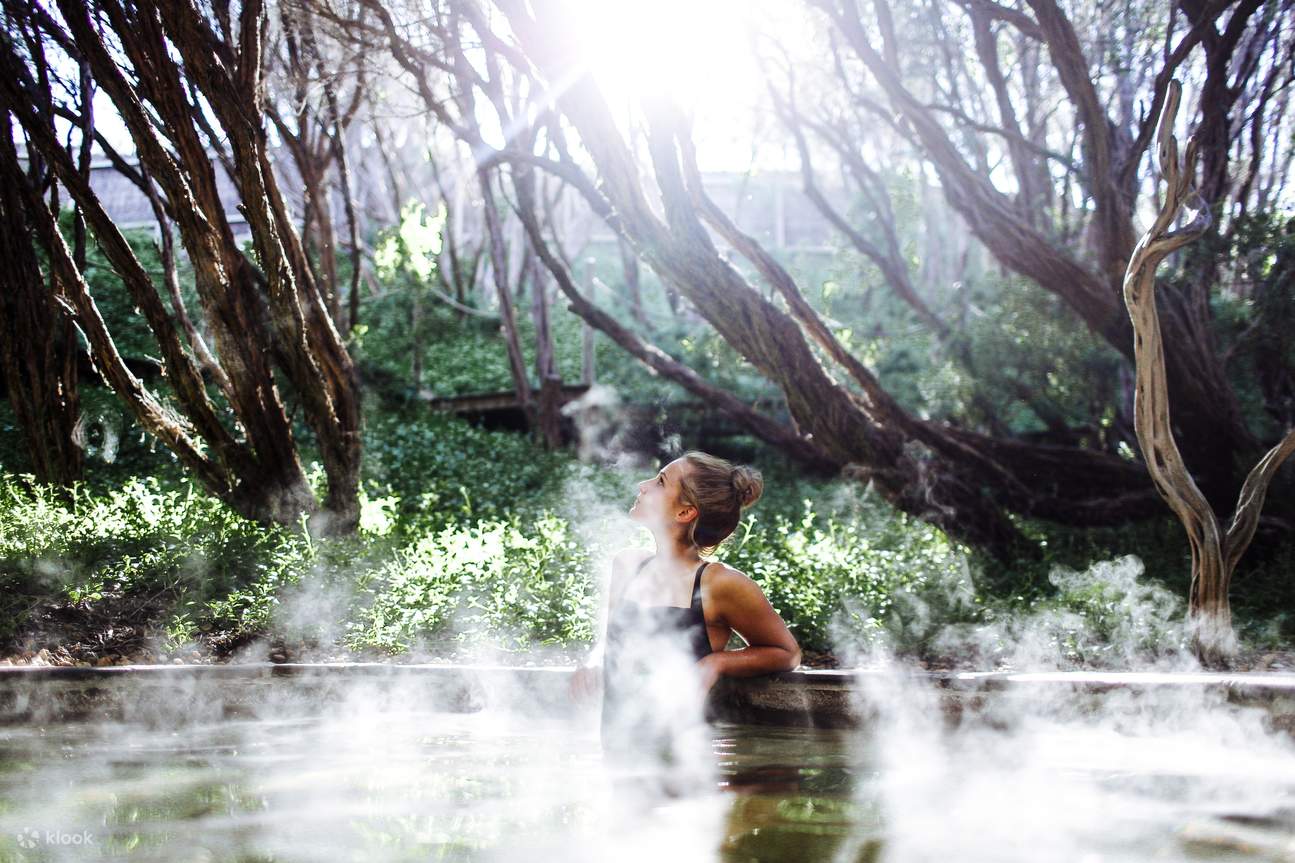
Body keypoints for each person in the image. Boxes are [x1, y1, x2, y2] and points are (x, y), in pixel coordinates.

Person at [569, 451, 801, 755]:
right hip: (617, 754)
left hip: (686, 763)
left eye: (660, 482)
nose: (642, 485)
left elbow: (787, 653)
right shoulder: (628, 565)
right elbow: (610, 638)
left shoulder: (719, 583)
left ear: (685, 512)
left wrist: (715, 663)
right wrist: (594, 661)